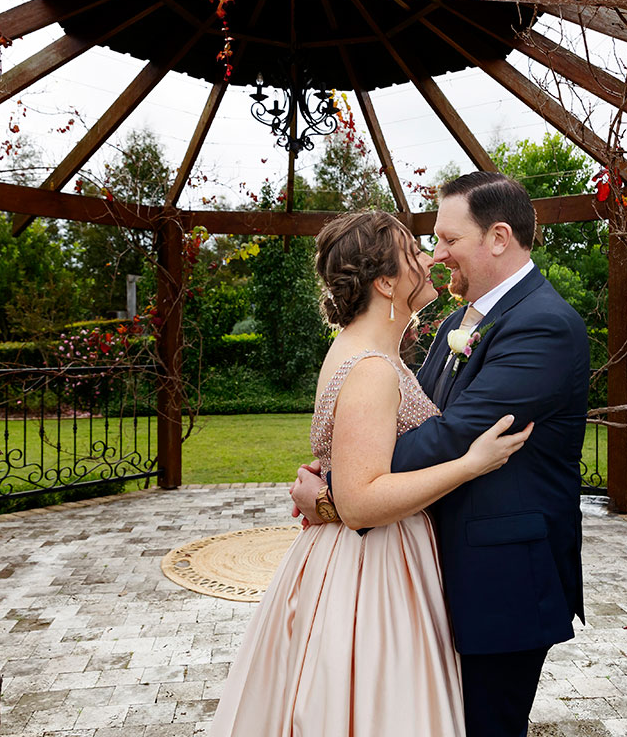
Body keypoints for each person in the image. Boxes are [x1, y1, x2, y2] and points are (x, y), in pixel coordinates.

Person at [209, 210, 533, 737]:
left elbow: (358, 459)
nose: (429, 259)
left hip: (365, 553)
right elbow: (361, 501)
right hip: (373, 566)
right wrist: (470, 465)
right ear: (386, 281)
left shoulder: (369, 352)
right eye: (414, 252)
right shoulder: (372, 369)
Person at [293, 172, 590, 737]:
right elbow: (417, 412)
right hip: (437, 568)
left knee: (487, 726)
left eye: (449, 240)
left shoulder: (544, 326)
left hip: (502, 578)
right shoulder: (458, 320)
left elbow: (453, 434)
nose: (437, 254)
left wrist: (341, 485)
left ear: (498, 237)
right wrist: (352, 465)